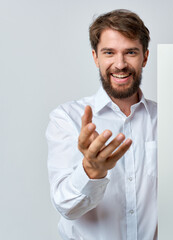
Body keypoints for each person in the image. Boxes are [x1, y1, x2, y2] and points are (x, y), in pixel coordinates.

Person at [46, 9, 157, 240]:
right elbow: (67, 208)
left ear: (145, 57)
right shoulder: (67, 118)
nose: (120, 64)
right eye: (109, 52)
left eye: (130, 52)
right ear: (96, 57)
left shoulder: (167, 119)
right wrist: (92, 171)